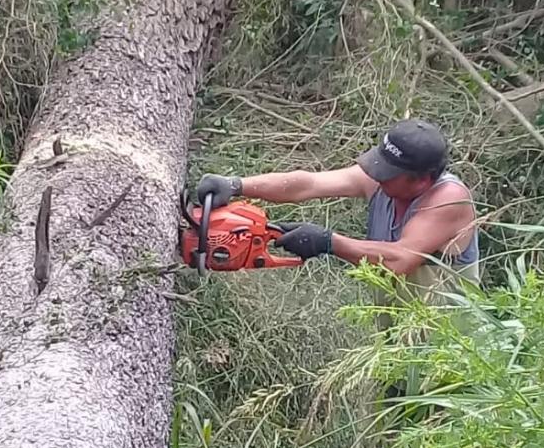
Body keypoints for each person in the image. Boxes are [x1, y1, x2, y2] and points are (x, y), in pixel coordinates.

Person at [195, 119, 480, 325]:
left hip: (452, 362)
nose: (378, 176)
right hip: (398, 349)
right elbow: (306, 184)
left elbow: (399, 260)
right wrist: (236, 185)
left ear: (423, 179)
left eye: (390, 173)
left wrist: (328, 242)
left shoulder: (449, 199)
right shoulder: (381, 182)